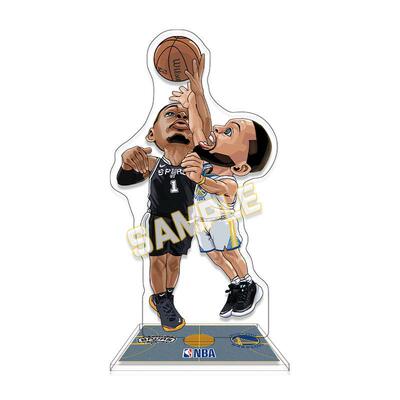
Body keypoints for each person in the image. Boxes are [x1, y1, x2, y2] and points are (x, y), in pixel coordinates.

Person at [171, 83, 272, 318]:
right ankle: (235, 284)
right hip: (202, 222)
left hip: (222, 224)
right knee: (214, 256)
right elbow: (197, 130)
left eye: (229, 132)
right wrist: (191, 105)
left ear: (240, 167)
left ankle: (248, 284)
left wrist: (199, 179)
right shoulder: (206, 163)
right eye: (224, 127)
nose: (217, 128)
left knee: (231, 254)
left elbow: (215, 187)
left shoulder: (229, 182)